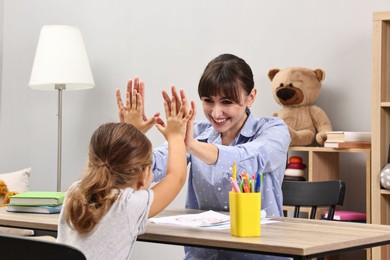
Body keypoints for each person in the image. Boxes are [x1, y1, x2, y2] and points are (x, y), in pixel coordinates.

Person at [116, 53, 291, 260]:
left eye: (227, 102)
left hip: (260, 256)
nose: (216, 113)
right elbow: (150, 169)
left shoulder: (274, 129)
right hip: (204, 255)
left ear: (250, 97)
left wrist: (190, 145)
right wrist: (132, 137)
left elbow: (251, 159)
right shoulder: (198, 131)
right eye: (208, 101)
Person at [57, 92, 194, 260]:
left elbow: (118, 161)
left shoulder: (74, 192)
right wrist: (176, 136)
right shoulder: (128, 205)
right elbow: (176, 177)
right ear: (143, 175)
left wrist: (131, 134)